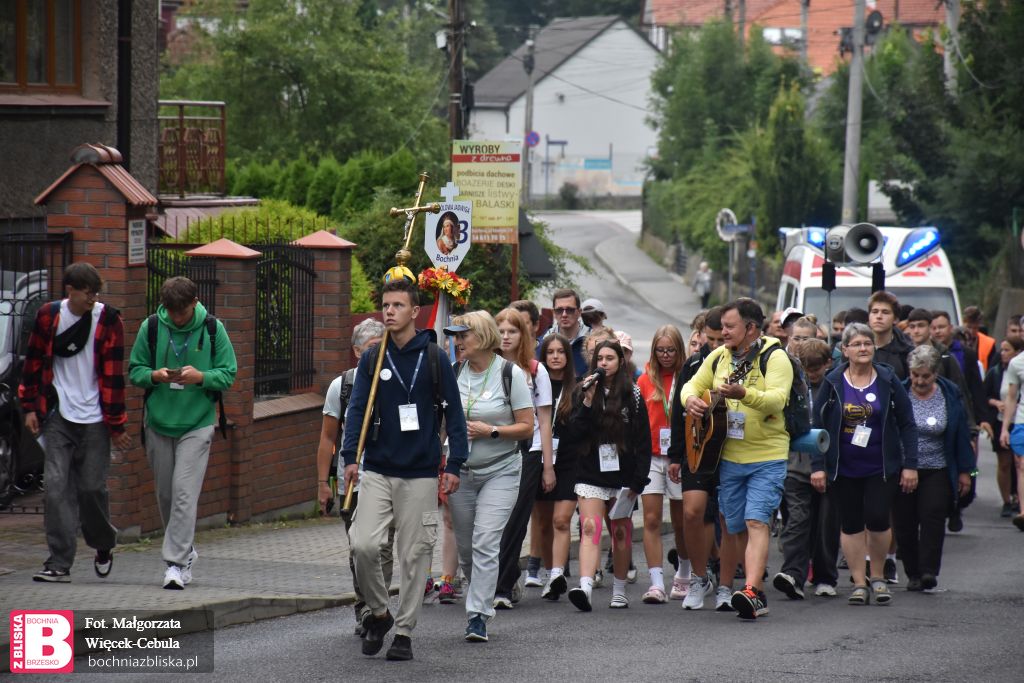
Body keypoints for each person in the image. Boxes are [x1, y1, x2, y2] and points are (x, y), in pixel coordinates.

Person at [341, 277, 468, 661]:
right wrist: (350, 457)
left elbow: (455, 415)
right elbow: (357, 410)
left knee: (415, 554)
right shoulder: (372, 357)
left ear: (414, 311)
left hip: (421, 473)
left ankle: (404, 631)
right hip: (378, 468)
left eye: (397, 305)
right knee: (364, 546)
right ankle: (380, 613)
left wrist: (455, 462)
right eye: (385, 305)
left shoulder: (434, 358)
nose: (389, 311)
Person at [680, 298, 793, 619]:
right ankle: (733, 588)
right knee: (731, 526)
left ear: (751, 328)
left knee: (756, 521)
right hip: (729, 457)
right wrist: (691, 401)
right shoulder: (719, 356)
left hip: (767, 456)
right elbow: (690, 386)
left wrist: (745, 394)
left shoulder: (775, 357)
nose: (723, 332)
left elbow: (777, 400)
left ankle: (754, 591)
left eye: (730, 326)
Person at [20, 262, 131, 583]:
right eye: (87, 293)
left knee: (91, 488)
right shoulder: (48, 316)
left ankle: (103, 544)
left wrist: (116, 424)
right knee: (56, 488)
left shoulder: (108, 320)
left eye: (96, 293)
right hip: (58, 415)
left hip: (95, 418)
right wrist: (30, 408)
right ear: (70, 290)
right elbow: (33, 362)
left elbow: (114, 376)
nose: (92, 299)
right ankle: (58, 562)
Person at [128, 276, 236, 589]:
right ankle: (186, 551)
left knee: (184, 494)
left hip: (197, 423)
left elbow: (228, 374)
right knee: (167, 495)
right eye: (172, 312)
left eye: (183, 312)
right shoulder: (151, 327)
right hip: (159, 422)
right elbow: (135, 371)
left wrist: (201, 376)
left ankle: (174, 564)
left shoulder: (213, 328)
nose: (177, 318)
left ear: (195, 302)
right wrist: (154, 375)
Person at [812, 323, 918, 606]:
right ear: (844, 349)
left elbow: (907, 423)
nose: (863, 348)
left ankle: (878, 576)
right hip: (843, 467)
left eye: (867, 343)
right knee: (851, 523)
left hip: (881, 466)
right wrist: (818, 466)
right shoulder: (833, 381)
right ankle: (859, 583)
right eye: (857, 344)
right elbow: (817, 425)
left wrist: (910, 464)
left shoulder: (887, 379)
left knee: (878, 518)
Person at [445, 311, 534, 642]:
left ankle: (478, 615)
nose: (457, 342)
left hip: (502, 470)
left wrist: (491, 430)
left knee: (485, 542)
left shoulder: (510, 374)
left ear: (482, 337)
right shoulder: (453, 372)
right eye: (455, 336)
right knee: (467, 550)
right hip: (461, 473)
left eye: (462, 336)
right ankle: (482, 589)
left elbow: (527, 427)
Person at [316, 318, 392, 635]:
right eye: (372, 348)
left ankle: (377, 606)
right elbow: (327, 438)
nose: (378, 353)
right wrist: (323, 484)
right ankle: (365, 606)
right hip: (354, 481)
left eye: (382, 347)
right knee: (359, 549)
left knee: (382, 548)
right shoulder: (342, 386)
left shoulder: (394, 381)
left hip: (389, 477)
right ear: (357, 351)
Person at [566, 340, 651, 611]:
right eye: (600, 358)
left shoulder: (632, 393)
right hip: (590, 470)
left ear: (620, 361)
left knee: (621, 532)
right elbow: (573, 433)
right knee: (590, 528)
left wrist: (639, 479)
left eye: (610, 358)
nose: (603, 363)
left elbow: (643, 439)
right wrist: (588, 402)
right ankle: (585, 587)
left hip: (623, 473)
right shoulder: (584, 389)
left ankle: (620, 589)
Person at [895, 346, 974, 591]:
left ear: (935, 373)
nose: (920, 381)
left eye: (926, 376)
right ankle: (913, 573)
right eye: (915, 375)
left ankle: (929, 570)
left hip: (938, 467)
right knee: (905, 522)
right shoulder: (899, 392)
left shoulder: (950, 394)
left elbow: (961, 434)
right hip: (904, 468)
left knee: (933, 516)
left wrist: (966, 471)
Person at [494, 308, 554, 608]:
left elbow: (544, 420)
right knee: (495, 519)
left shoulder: (535, 370)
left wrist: (548, 466)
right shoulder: (486, 366)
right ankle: (500, 576)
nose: (506, 337)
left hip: (527, 452)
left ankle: (502, 588)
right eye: (501, 331)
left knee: (516, 519)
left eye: (512, 331)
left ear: (524, 335)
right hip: (494, 450)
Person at [669, 306, 728, 609]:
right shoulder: (693, 363)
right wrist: (675, 454)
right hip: (696, 445)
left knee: (726, 516)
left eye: (721, 339)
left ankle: (726, 579)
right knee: (692, 512)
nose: (715, 345)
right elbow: (677, 413)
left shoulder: (739, 362)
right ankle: (699, 577)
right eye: (711, 338)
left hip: (730, 447)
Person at [773, 338, 841, 600]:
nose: (812, 374)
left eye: (817, 369)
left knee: (825, 525)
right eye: (807, 369)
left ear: (828, 363)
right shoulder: (793, 386)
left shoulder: (834, 389)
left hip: (828, 467)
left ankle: (825, 577)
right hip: (795, 465)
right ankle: (793, 574)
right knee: (797, 520)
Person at [636, 325, 688, 604]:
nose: (665, 355)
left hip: (679, 458)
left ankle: (684, 573)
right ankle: (656, 583)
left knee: (682, 521)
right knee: (652, 519)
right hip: (652, 458)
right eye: (660, 350)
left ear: (679, 350)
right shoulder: (645, 380)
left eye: (670, 350)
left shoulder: (688, 378)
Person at [533, 334, 580, 601]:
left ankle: (556, 575)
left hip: (570, 461)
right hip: (540, 459)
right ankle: (550, 572)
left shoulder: (578, 387)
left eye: (560, 351)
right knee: (543, 523)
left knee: (561, 520)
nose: (555, 356)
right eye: (550, 352)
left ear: (568, 356)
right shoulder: (535, 384)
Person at [983, 337, 1024, 517]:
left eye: (1007, 350)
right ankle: (1010, 502)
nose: (1003, 353)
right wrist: (996, 404)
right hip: (1006, 421)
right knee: (1009, 464)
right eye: (1002, 350)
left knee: (1019, 465)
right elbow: (986, 394)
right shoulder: (998, 371)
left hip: (1018, 420)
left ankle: (1018, 500)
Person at [999, 339, 1024, 532]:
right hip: (1022, 421)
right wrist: (1005, 428)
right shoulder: (1017, 362)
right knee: (1021, 465)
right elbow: (1011, 396)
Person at [540, 288, 590, 377]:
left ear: (579, 312)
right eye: (559, 310)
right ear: (554, 313)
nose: (564, 315)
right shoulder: (542, 343)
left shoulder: (592, 341)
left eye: (570, 310)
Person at [868, 291, 913, 380]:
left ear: (895, 319)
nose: (879, 316)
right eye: (874, 311)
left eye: (885, 312)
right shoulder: (855, 347)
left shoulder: (907, 352)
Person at [962, 305, 997, 373]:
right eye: (969, 327)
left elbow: (992, 370)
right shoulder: (955, 340)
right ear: (963, 323)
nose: (971, 331)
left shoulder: (989, 343)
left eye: (975, 328)